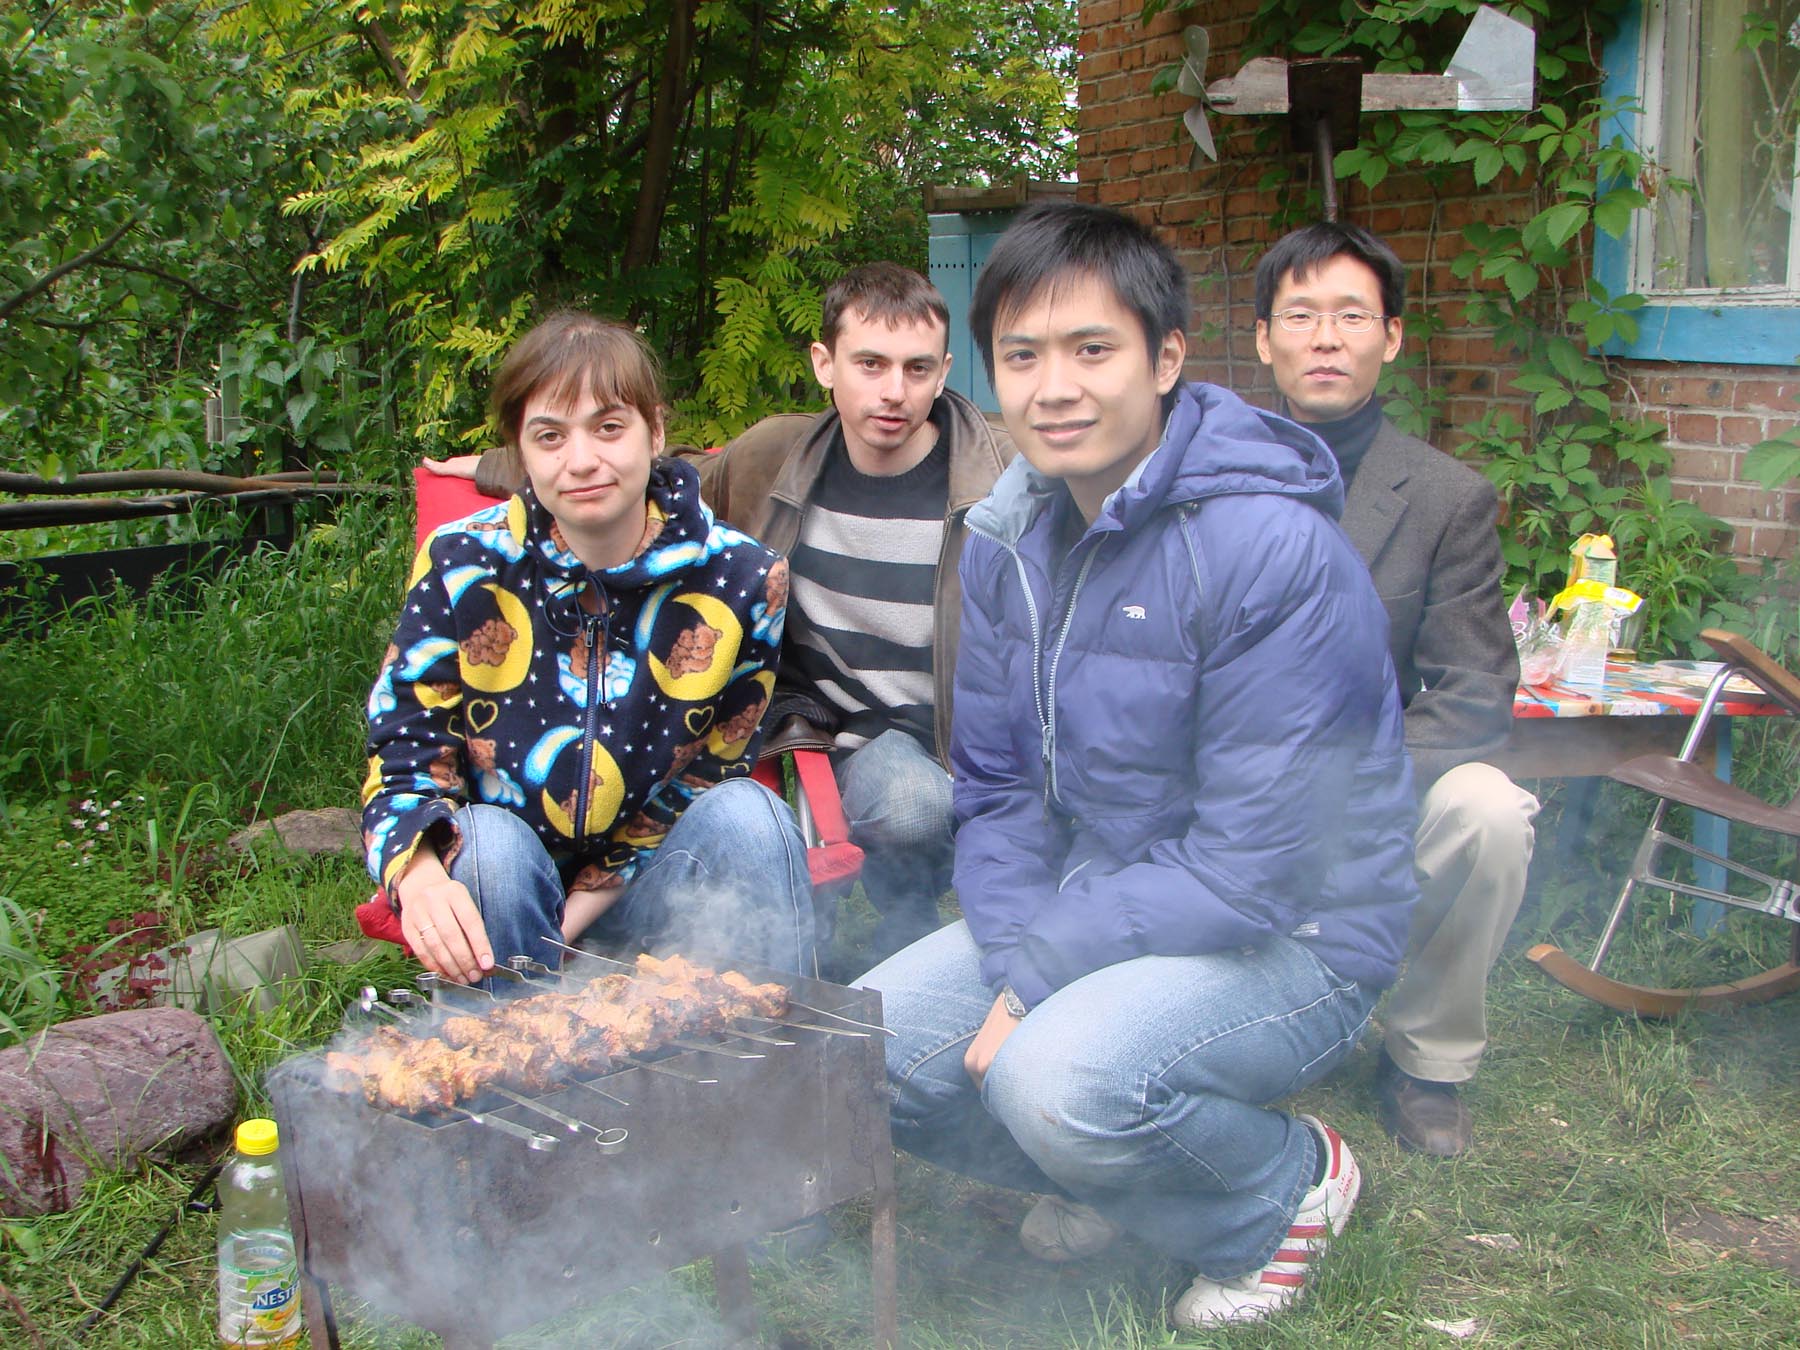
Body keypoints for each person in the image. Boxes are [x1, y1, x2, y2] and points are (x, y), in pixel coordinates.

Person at [857, 202, 1421, 1328]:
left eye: (1092, 349)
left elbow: (1253, 868)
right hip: (1107, 899)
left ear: (1166, 360)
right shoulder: (1009, 541)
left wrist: (1035, 985)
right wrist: (1019, 962)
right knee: (862, 1054)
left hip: (1299, 931)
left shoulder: (1269, 548)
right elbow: (999, 793)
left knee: (1057, 1076)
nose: (1054, 387)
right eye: (1022, 356)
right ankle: (1118, 1182)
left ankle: (1280, 1192)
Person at [433, 265, 1015, 969]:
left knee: (926, 807)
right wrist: (504, 463)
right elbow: (641, 471)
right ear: (824, 364)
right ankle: (906, 924)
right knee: (912, 803)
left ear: (944, 372)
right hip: (858, 733)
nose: (894, 391)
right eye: (870, 364)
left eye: (917, 368)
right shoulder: (774, 456)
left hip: (968, 727)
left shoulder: (1005, 475)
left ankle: (918, 937)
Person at [363, 312, 813, 986]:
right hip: (505, 888)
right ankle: (511, 1042)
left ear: (654, 431)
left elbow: (713, 770)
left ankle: (770, 1044)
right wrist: (420, 869)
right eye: (550, 436)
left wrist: (586, 904)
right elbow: (403, 746)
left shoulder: (745, 580)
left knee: (755, 819)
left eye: (608, 427)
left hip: (658, 881)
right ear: (520, 450)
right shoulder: (462, 563)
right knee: (490, 851)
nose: (580, 461)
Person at [1253, 221, 1539, 1157]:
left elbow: (1474, 691)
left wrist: (1345, 786)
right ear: (1264, 339)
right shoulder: (1203, 478)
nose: (1326, 339)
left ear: (1393, 337)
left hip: (1373, 792)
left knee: (1490, 810)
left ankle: (1426, 1059)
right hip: (1225, 792)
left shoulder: (1446, 499)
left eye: (1352, 316)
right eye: (1301, 316)